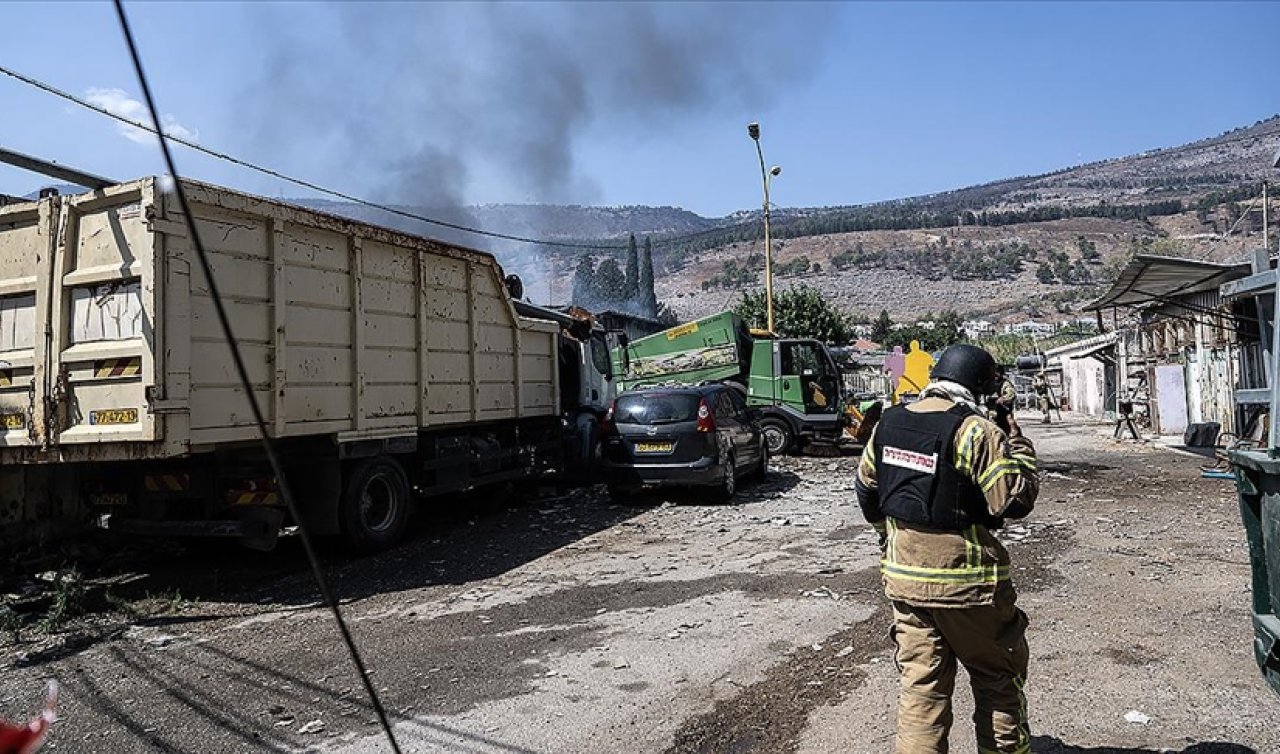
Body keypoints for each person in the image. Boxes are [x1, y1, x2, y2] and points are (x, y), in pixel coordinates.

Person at [855, 344, 1039, 754]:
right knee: (997, 682)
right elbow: (1012, 501)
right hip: (970, 589)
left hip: (905, 583)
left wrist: (892, 539)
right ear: (981, 387)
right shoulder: (976, 430)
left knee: (922, 692)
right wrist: (1020, 447)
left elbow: (867, 491)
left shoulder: (887, 424)